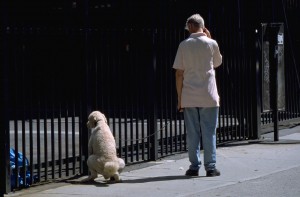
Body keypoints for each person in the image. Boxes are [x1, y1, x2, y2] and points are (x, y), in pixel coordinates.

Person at [173, 14, 222, 177]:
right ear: (202, 26)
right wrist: (210, 39)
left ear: (191, 26)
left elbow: (179, 73)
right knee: (209, 131)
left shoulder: (184, 45)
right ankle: (211, 167)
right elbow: (217, 63)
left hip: (189, 95)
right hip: (208, 95)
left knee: (193, 132)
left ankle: (194, 167)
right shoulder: (212, 43)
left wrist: (180, 98)